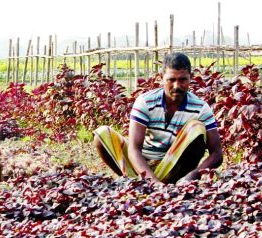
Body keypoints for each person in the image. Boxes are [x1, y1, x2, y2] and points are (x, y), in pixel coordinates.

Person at [93, 53, 222, 184]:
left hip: (173, 167)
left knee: (196, 127)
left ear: (190, 78)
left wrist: (194, 175)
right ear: (161, 78)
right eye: (171, 80)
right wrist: (153, 182)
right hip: (142, 166)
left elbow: (217, 153)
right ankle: (135, 180)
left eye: (182, 79)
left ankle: (173, 182)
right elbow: (134, 149)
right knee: (102, 134)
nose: (177, 86)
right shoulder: (145, 102)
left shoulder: (201, 108)